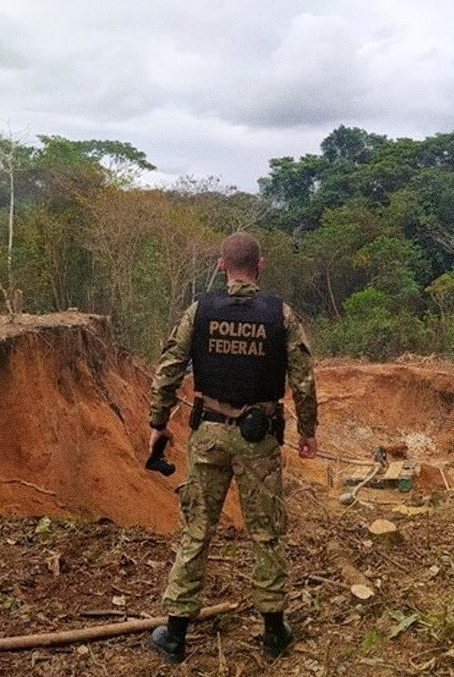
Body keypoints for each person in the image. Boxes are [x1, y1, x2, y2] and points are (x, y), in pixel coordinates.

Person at [145, 231, 319, 664]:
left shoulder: (199, 310)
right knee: (266, 532)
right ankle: (274, 632)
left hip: (208, 436)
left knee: (197, 529)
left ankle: (177, 635)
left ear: (222, 266)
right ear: (259, 264)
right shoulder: (280, 313)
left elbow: (168, 369)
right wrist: (308, 431)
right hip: (258, 439)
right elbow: (303, 377)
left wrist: (157, 423)